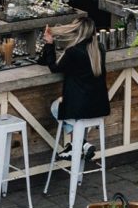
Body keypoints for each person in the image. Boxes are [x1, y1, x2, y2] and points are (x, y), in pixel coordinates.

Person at [39, 17, 109, 167]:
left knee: (55, 107)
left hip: (80, 107)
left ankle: (79, 145)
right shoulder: (100, 49)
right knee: (66, 106)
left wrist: (49, 43)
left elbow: (54, 68)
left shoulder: (73, 52)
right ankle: (78, 145)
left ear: (76, 32)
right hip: (98, 106)